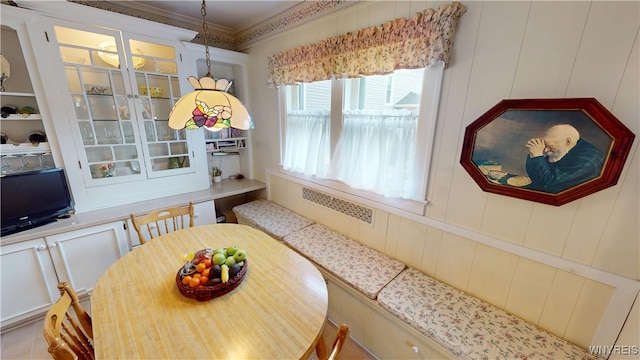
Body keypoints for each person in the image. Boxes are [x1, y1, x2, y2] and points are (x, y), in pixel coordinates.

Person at [525, 124, 604, 193]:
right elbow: (536, 177)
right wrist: (533, 154)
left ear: (568, 141)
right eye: (545, 145)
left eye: (550, 146)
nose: (545, 150)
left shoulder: (585, 161)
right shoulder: (562, 149)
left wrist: (537, 156)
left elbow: (548, 183)